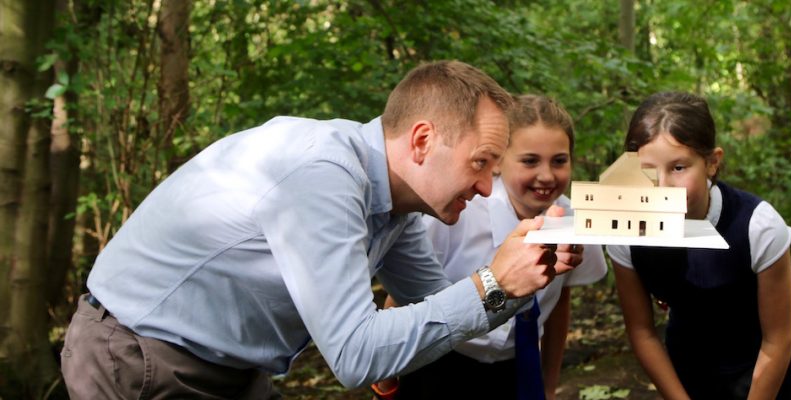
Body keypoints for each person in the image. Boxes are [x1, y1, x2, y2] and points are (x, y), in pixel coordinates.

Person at [59, 60, 584, 399]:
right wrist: (495, 283)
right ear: (423, 141)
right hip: (138, 358)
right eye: (481, 163)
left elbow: (448, 307)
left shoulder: (397, 208)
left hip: (234, 371)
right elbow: (357, 356)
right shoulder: (322, 176)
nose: (488, 189)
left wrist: (530, 274)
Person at [371, 94, 608, 400]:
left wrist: (548, 384)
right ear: (498, 163)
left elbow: (559, 301)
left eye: (559, 161)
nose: (547, 175)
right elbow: (401, 294)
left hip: (516, 367)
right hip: (441, 361)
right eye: (530, 160)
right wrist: (386, 381)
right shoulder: (458, 212)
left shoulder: (571, 219)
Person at [606, 91, 791, 400]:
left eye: (678, 168)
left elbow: (778, 340)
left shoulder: (758, 226)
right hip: (693, 353)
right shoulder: (624, 231)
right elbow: (642, 331)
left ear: (711, 163)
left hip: (771, 357)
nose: (662, 186)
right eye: (647, 171)